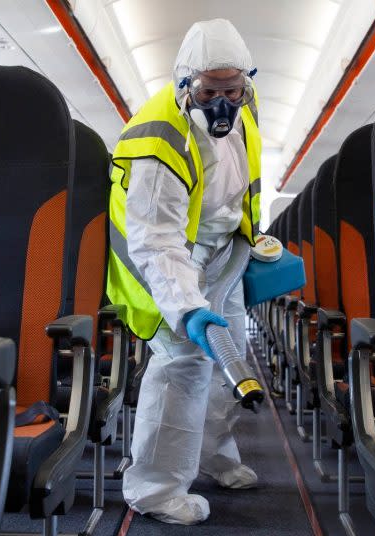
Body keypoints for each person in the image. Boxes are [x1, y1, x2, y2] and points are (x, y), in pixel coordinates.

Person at [105, 19, 262, 525]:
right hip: (170, 261)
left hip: (222, 253)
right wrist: (188, 305)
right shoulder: (159, 138)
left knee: (231, 354)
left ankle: (215, 456)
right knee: (185, 367)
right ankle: (155, 490)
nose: (222, 102)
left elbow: (237, 187)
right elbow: (156, 239)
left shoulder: (247, 107)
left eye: (231, 90)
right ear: (184, 85)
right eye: (209, 91)